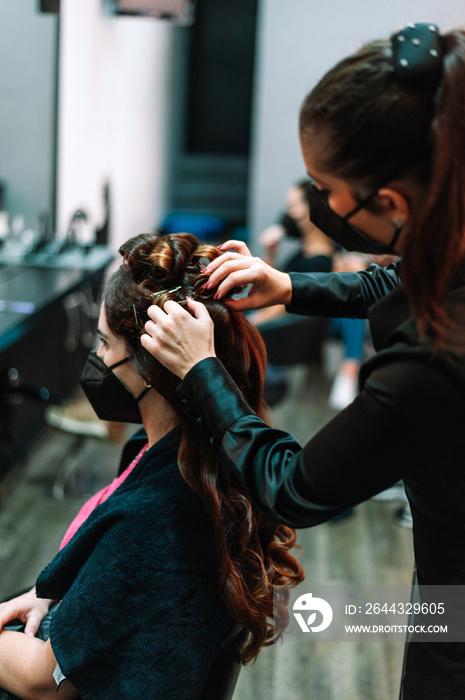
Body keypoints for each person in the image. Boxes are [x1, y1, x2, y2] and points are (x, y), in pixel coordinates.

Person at [140, 24, 465, 699]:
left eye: (324, 188)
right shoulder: (452, 228)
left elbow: (294, 489)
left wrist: (204, 374)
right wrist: (288, 285)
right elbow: (406, 279)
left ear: (389, 203)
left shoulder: (434, 363)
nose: (317, 205)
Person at [0, 233, 304, 699]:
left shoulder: (155, 516)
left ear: (148, 366)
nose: (98, 358)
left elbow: (43, 682)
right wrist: (51, 593)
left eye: (104, 343)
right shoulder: (195, 450)